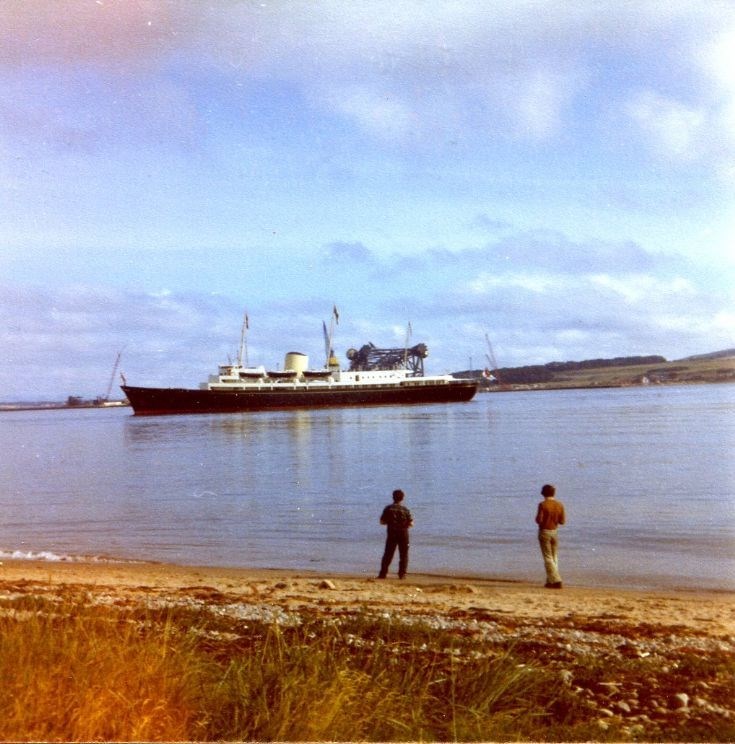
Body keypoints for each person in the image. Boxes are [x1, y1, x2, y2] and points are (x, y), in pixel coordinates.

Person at [377, 489, 413, 579]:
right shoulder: (405, 510)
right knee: (404, 554)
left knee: (388, 554)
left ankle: (383, 574)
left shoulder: (388, 508)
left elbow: (382, 522)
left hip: (392, 533)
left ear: (393, 497)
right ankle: (402, 574)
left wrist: (390, 522)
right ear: (402, 498)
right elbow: (411, 523)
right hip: (403, 533)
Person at [535, 483, 565, 589]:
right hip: (555, 532)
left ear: (543, 493)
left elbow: (539, 520)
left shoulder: (542, 505)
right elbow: (562, 521)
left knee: (548, 557)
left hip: (544, 532)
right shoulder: (559, 505)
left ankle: (556, 580)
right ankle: (550, 581)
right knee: (554, 557)